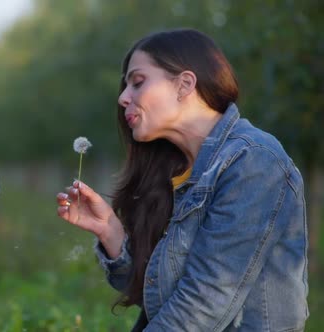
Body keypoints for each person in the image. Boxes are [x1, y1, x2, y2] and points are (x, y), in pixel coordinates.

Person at [56, 29, 308, 331]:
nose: (123, 98)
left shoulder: (253, 162)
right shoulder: (174, 170)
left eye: (137, 82)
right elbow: (154, 295)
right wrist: (110, 231)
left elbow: (205, 304)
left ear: (185, 84)